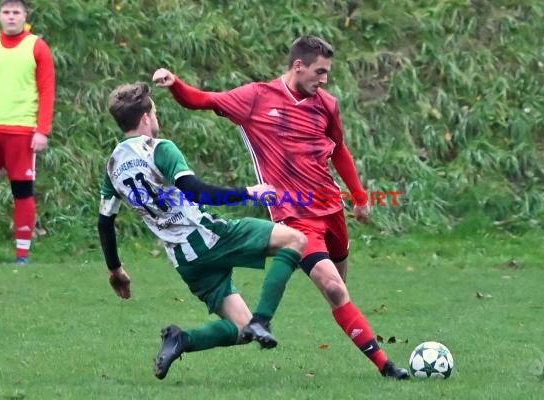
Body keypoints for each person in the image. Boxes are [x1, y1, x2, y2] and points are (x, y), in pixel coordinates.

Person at [152, 35, 409, 379]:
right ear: (297, 66)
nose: (324, 79)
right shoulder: (256, 98)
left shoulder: (327, 105)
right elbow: (202, 100)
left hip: (331, 210)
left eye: (327, 72)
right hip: (296, 216)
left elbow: (339, 150)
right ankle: (387, 367)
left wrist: (359, 196)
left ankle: (373, 354)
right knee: (333, 288)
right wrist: (176, 84)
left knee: (340, 290)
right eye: (319, 71)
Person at [98, 82, 307, 380]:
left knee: (240, 330)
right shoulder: (160, 149)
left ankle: (181, 339)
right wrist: (250, 192)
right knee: (296, 240)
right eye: (154, 112)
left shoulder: (113, 164)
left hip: (185, 260)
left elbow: (105, 222)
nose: (156, 118)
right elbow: (198, 193)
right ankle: (264, 319)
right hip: (211, 237)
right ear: (145, 117)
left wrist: (115, 269)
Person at [0, 0, 55, 264]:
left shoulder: (37, 46)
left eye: (16, 12)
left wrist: (42, 130)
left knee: (22, 192)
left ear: (25, 16)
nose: (11, 17)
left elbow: (47, 91)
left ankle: (22, 254)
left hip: (22, 130)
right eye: (6, 12)